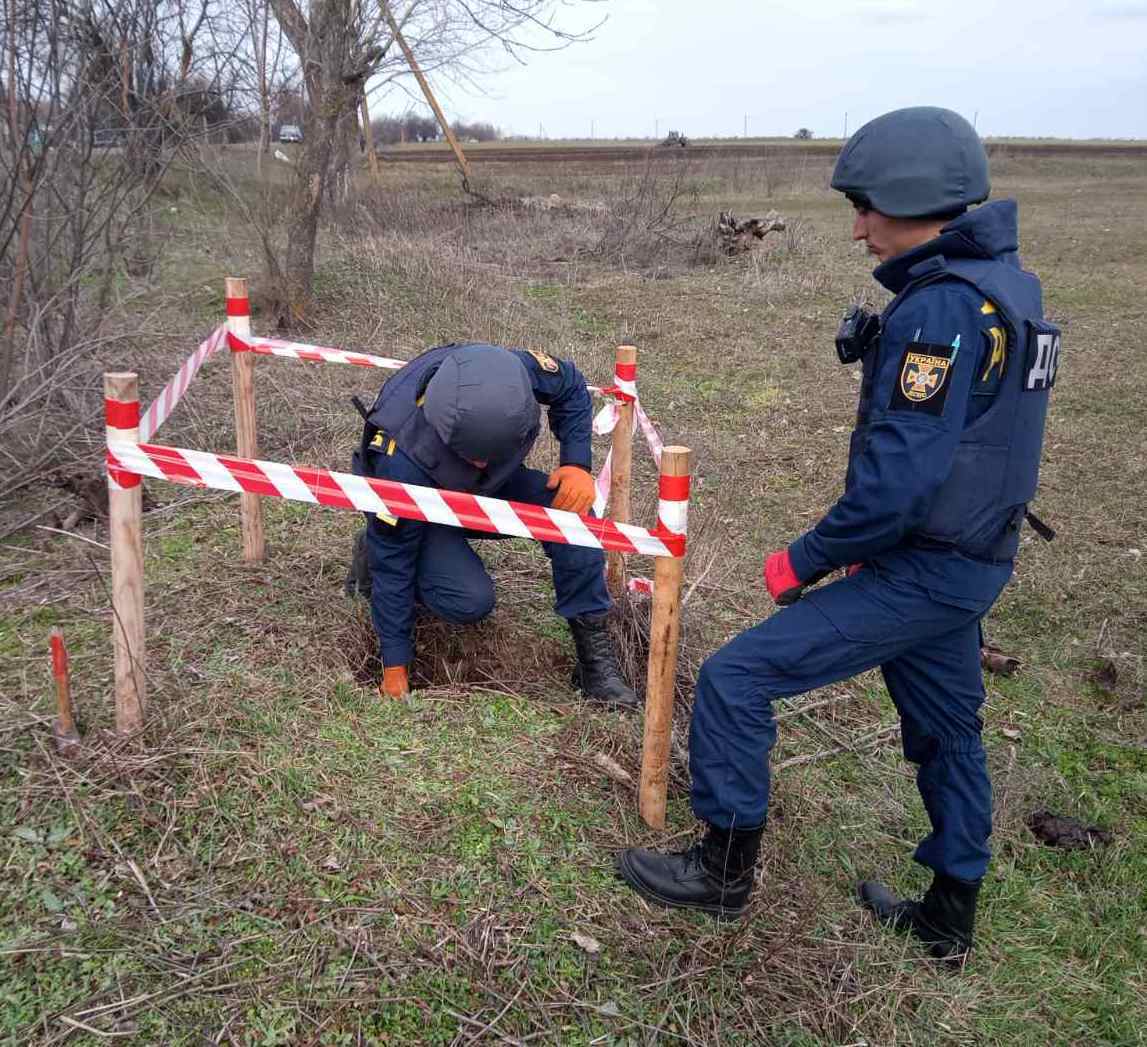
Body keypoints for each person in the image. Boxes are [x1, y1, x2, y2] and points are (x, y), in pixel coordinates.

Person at [616, 107, 1060, 961]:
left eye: (865, 205)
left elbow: (898, 484)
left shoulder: (942, 313)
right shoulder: (1009, 287)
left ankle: (720, 872)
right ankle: (948, 914)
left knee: (736, 677)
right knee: (949, 729)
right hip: (973, 555)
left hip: (924, 565)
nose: (855, 226)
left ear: (914, 197)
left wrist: (803, 560)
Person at [348, 341, 637, 707]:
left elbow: (570, 387)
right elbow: (393, 569)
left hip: (491, 491)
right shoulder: (399, 460)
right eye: (472, 455)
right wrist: (395, 667)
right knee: (469, 601)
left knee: (573, 517)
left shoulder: (511, 377)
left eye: (491, 453)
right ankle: (371, 545)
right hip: (424, 501)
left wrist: (576, 463)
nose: (483, 463)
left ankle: (594, 663)